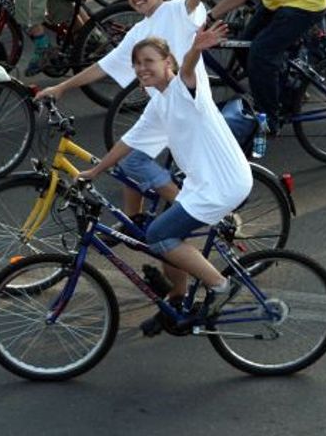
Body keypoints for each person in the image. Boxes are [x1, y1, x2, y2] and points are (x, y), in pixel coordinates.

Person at [77, 26, 252, 323]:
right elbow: (128, 142)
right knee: (164, 239)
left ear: (167, 62)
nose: (142, 68)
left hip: (223, 184)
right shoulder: (158, 101)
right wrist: (95, 171)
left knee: (159, 234)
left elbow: (188, 69)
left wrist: (196, 49)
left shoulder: (183, 89)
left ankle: (222, 286)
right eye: (138, 63)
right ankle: (179, 297)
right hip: (204, 185)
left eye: (149, 61)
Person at [37, 0, 206, 220]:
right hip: (163, 107)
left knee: (132, 161)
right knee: (127, 160)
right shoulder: (139, 31)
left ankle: (192, 210)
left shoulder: (174, 10)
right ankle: (132, 220)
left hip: (187, 105)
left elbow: (193, 1)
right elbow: (104, 66)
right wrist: (62, 87)